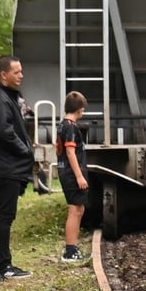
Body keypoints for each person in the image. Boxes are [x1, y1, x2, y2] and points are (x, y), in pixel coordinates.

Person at [0, 55, 34, 281]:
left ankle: (5, 264)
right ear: (3, 75)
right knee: (4, 216)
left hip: (7, 166)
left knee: (5, 215)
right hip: (5, 167)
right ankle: (3, 267)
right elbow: (4, 131)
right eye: (16, 72)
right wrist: (25, 150)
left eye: (21, 71)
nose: (21, 75)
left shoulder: (7, 96)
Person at [56, 91, 89, 263]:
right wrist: (79, 176)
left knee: (78, 209)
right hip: (71, 173)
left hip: (65, 171)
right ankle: (70, 250)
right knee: (75, 210)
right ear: (80, 110)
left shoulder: (62, 124)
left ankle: (73, 247)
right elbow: (70, 152)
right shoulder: (71, 127)